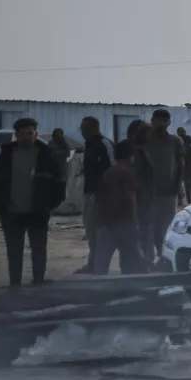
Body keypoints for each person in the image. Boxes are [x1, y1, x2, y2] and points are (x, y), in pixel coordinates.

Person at [0, 118, 68, 286]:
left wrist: (49, 205)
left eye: (30, 133)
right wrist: (1, 206)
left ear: (36, 134)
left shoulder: (46, 155)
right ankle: (15, 284)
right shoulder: (6, 155)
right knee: (14, 252)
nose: (26, 137)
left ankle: (38, 281)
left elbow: (60, 183)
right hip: (11, 212)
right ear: (16, 135)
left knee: (39, 250)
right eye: (22, 134)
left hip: (38, 212)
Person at [136, 109, 186, 262]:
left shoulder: (175, 141)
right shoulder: (144, 140)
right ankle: (149, 260)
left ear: (169, 123)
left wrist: (180, 185)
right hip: (148, 192)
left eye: (164, 121)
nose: (160, 124)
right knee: (148, 228)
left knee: (165, 228)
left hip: (169, 191)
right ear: (152, 121)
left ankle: (163, 257)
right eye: (157, 120)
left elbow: (180, 164)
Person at [91, 139, 145, 275]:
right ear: (131, 156)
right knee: (131, 257)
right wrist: (135, 220)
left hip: (108, 220)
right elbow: (130, 197)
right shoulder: (129, 173)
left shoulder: (109, 171)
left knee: (103, 258)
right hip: (124, 221)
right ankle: (129, 284)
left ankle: (98, 287)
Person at [73, 117, 114, 274]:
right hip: (89, 194)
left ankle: (99, 265)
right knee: (90, 231)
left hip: (102, 196)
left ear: (94, 129)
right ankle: (92, 263)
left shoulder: (105, 144)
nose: (83, 132)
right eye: (81, 129)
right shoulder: (88, 146)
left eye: (85, 129)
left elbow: (113, 168)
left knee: (100, 233)